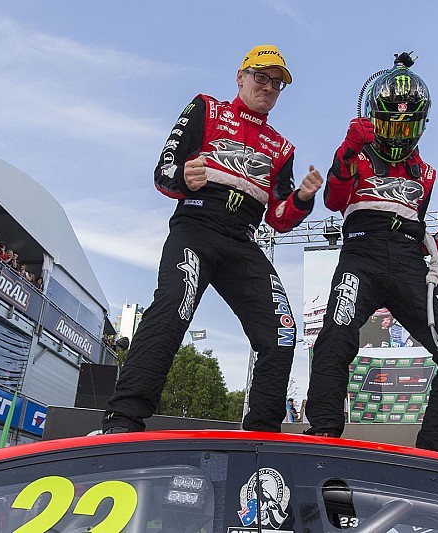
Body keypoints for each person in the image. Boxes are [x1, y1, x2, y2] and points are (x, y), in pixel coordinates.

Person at [102, 45, 322, 434]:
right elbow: (163, 170)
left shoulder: (282, 147)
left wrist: (303, 199)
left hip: (243, 240)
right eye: (261, 77)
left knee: (283, 330)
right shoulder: (206, 108)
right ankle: (123, 419)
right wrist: (184, 178)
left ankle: (262, 433)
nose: (268, 87)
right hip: (196, 225)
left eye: (277, 82)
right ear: (241, 77)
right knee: (174, 305)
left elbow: (279, 217)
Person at [304, 52, 438, 453]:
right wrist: (346, 153)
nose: (400, 133)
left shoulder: (427, 173)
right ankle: (323, 436)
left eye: (408, 124)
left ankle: (435, 454)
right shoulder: (358, 154)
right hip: (361, 256)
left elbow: (414, 225)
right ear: (373, 116)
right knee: (334, 340)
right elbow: (334, 201)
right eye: (391, 122)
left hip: (409, 262)